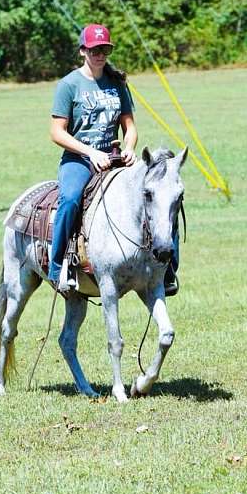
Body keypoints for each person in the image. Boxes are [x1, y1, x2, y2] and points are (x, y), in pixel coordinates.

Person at [49, 23, 179, 296]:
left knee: (163, 193)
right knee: (71, 198)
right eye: (95, 49)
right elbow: (56, 133)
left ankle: (168, 269)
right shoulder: (69, 85)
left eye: (105, 49)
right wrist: (90, 152)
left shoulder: (117, 83)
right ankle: (58, 265)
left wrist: (130, 147)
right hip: (79, 160)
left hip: (116, 158)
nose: (100, 54)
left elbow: (129, 127)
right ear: (83, 50)